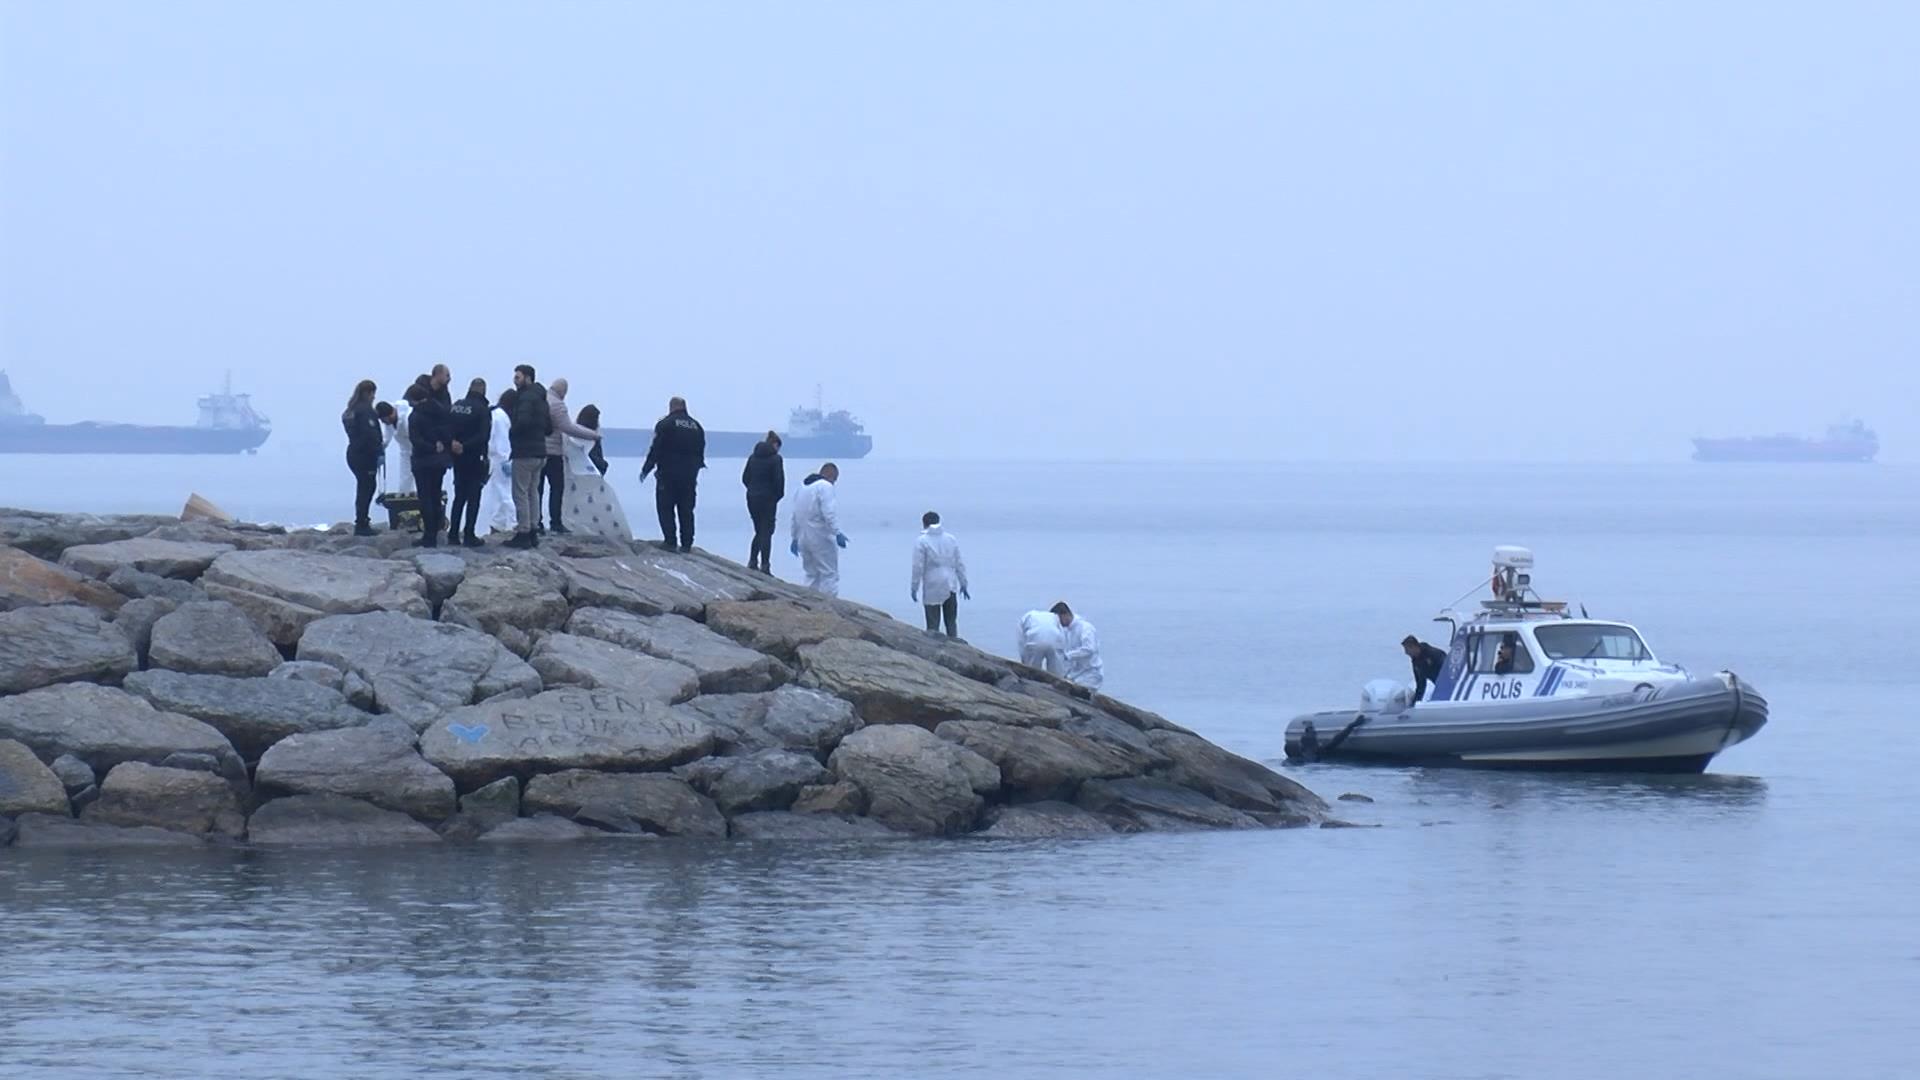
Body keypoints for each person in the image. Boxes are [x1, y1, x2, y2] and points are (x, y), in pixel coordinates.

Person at [639, 396, 707, 552]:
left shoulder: (665, 424)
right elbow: (701, 452)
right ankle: (687, 543)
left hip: (668, 474)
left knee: (665, 507)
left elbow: (656, 449)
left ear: (671, 407)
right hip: (690, 475)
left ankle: (670, 541)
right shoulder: (697, 426)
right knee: (686, 509)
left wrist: (646, 469)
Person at [559, 404, 634, 544]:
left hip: (574, 476)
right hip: (591, 477)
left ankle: (576, 528)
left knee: (576, 505)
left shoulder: (572, 435)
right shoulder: (592, 437)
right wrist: (604, 466)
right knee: (600, 506)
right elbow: (596, 458)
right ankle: (602, 531)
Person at [541, 378, 602, 536]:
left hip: (538, 451)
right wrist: (592, 435)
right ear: (562, 391)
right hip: (553, 452)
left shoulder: (540, 400)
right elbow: (568, 428)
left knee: (536, 489)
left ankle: (536, 522)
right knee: (557, 488)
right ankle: (555, 522)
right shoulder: (557, 405)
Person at [404, 383, 457, 547]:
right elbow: (449, 431)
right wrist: (442, 446)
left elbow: (415, 440)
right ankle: (438, 528)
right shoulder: (441, 410)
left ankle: (429, 535)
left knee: (425, 498)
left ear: (414, 400)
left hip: (422, 460)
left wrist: (430, 446)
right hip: (440, 460)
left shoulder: (415, 416)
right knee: (435, 495)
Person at [505, 364, 551, 549]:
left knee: (520, 492)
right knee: (533, 492)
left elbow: (522, 421)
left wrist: (512, 433)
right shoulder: (542, 398)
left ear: (528, 378)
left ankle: (523, 532)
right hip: (540, 450)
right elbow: (550, 427)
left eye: (518, 377)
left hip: (524, 451)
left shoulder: (525, 398)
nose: (515, 381)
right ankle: (533, 529)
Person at [788, 462, 846, 595]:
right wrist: (837, 533)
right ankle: (828, 605)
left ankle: (809, 603)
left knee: (811, 574)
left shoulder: (802, 487)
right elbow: (829, 513)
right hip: (820, 536)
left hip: (803, 538)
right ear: (831, 475)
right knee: (829, 574)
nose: (834, 483)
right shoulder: (825, 487)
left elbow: (795, 515)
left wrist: (794, 538)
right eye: (835, 479)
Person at [446, 377, 491, 547]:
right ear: (483, 391)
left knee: (459, 496)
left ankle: (453, 534)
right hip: (474, 456)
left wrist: (453, 443)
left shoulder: (457, 405)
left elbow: (447, 427)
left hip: (457, 457)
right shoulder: (482, 409)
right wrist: (466, 446)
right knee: (474, 496)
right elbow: (483, 436)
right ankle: (469, 533)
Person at [911, 511, 969, 637]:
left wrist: (914, 588)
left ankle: (932, 649)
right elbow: (959, 563)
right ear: (939, 521)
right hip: (950, 583)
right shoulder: (950, 539)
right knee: (951, 622)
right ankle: (956, 648)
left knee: (932, 623)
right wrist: (963, 584)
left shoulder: (921, 541)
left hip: (932, 584)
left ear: (924, 524)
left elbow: (918, 567)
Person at [341, 379, 383, 537]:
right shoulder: (366, 411)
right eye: (373, 394)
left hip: (353, 452)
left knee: (363, 487)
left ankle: (362, 520)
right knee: (367, 488)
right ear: (368, 393)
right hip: (365, 455)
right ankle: (362, 523)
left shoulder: (350, 411)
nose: (374, 398)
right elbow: (370, 435)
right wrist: (378, 450)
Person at [740, 431, 784, 572]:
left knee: (759, 530)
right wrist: (777, 496)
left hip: (752, 497)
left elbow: (745, 478)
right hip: (768, 499)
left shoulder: (753, 457)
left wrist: (752, 490)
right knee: (767, 531)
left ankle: (753, 561)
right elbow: (779, 481)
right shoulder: (776, 459)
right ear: (775, 444)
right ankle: (765, 565)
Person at [476, 389, 517, 537]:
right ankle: (513, 522)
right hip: (501, 458)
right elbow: (501, 442)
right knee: (505, 491)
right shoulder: (501, 417)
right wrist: (506, 459)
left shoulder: (496, 414)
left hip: (497, 458)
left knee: (498, 491)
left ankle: (497, 523)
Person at [1053, 602, 1105, 690]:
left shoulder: (1086, 628)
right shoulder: (1067, 631)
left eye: (1059, 619)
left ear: (1065, 615)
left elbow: (1089, 649)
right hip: (1076, 673)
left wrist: (1068, 656)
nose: (1059, 623)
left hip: (1090, 674)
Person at [384, 393, 415, 496]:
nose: (386, 423)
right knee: (405, 475)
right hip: (405, 450)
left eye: (386, 420)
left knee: (422, 476)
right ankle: (404, 494)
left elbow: (416, 436)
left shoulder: (407, 418)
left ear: (392, 413)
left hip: (419, 448)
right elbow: (386, 438)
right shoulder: (388, 421)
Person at [1402, 635, 1450, 703]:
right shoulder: (1416, 662)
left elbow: (1448, 670)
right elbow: (1420, 685)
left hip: (1448, 684)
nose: (1406, 653)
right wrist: (1415, 703)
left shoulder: (1434, 654)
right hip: (1439, 686)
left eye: (1407, 649)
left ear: (1414, 647)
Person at [1017, 608, 1066, 674]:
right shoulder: (1054, 616)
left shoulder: (1027, 616)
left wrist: (1024, 660)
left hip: (1034, 641)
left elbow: (1021, 641)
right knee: (1056, 673)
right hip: (1054, 642)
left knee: (1032, 671)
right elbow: (1062, 636)